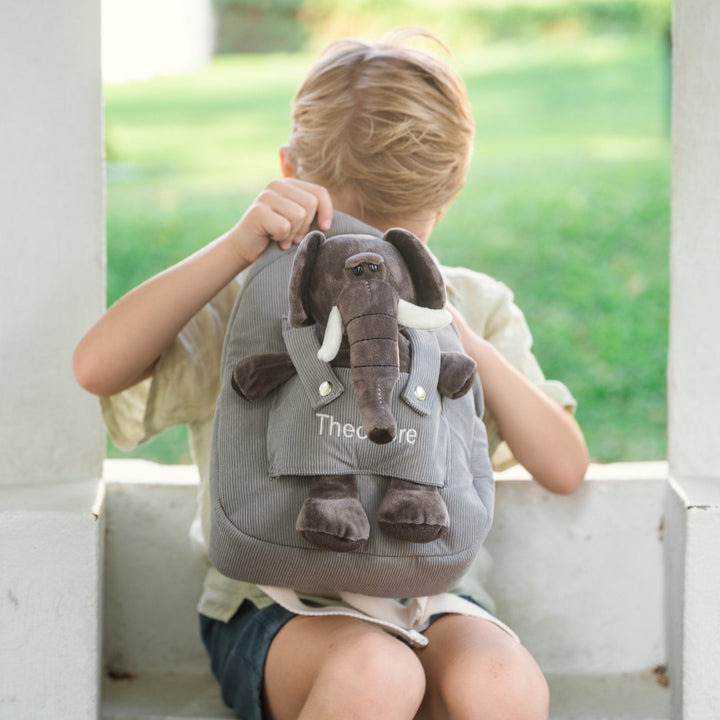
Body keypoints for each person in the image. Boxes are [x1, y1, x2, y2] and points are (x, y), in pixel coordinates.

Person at [74, 29, 588, 720]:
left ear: (290, 162)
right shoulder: (254, 303)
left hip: (435, 600)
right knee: (376, 675)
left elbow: (564, 465)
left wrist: (449, 331)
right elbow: (97, 367)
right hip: (276, 607)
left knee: (501, 684)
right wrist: (235, 250)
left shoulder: (475, 307)